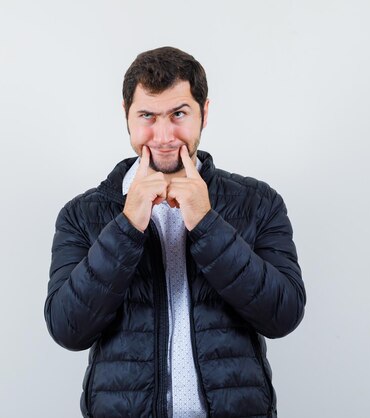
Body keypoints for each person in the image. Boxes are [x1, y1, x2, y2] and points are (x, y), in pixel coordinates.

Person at [44, 46, 306, 418]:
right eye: (147, 115)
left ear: (204, 113)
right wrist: (127, 227)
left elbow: (284, 314)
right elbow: (68, 328)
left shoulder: (258, 202)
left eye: (179, 114)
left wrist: (207, 224)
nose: (164, 135)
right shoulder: (82, 214)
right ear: (126, 115)